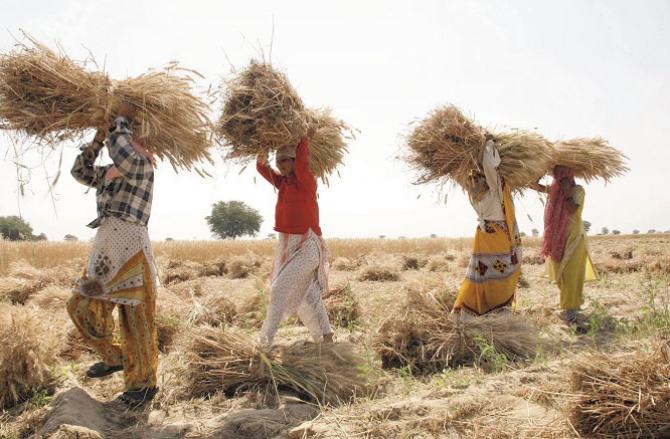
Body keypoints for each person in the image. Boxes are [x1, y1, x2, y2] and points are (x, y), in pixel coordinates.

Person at [66, 102, 159, 408]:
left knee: (137, 320)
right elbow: (79, 171)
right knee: (80, 306)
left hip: (132, 250)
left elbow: (124, 152)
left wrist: (120, 120)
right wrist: (95, 140)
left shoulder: (142, 166)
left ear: (138, 142)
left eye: (127, 136)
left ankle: (142, 385)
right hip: (105, 251)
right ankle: (114, 356)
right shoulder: (108, 172)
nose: (115, 141)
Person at [255, 127, 334, 345]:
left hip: (308, 246)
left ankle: (265, 341)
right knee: (308, 296)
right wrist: (262, 145)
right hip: (288, 245)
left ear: (295, 161)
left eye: (286, 160)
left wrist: (305, 138)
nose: (281, 164)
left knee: (279, 288)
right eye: (279, 160)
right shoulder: (282, 183)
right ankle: (326, 336)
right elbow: (261, 167)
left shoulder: (306, 181)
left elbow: (302, 163)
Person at [452, 138, 522, 316]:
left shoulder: (493, 190)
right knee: (481, 273)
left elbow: (489, 168)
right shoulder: (477, 193)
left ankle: (494, 307)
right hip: (487, 239)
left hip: (495, 238)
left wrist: (487, 145)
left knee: (495, 272)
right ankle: (480, 307)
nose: (474, 181)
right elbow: (460, 175)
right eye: (474, 177)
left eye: (478, 177)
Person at [538, 165, 597, 323]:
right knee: (559, 276)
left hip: (574, 239)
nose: (561, 180)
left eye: (564, 176)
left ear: (570, 176)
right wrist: (537, 173)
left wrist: (566, 191)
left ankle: (571, 311)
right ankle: (570, 305)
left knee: (571, 275)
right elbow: (535, 186)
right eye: (558, 177)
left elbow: (572, 210)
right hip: (557, 238)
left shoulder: (578, 190)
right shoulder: (554, 191)